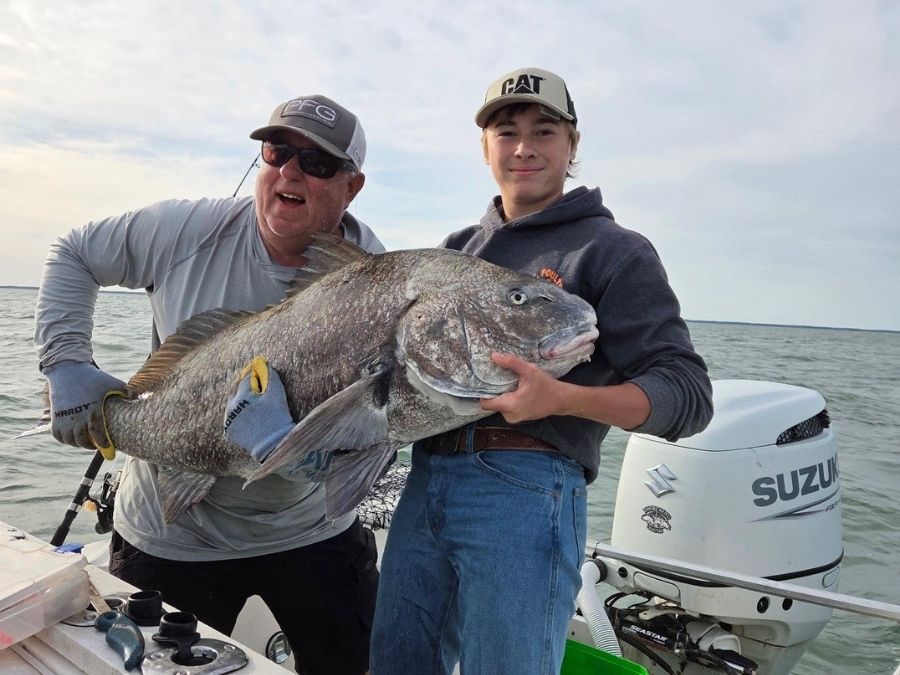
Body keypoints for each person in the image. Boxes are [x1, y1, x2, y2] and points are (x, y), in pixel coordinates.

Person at [368, 67, 714, 675]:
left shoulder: (615, 251)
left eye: (544, 130)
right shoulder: (458, 249)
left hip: (527, 489)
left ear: (572, 145)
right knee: (397, 662)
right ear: (485, 147)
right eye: (506, 131)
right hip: (423, 480)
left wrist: (559, 400)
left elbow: (686, 393)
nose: (524, 147)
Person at [35, 95, 383, 675]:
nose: (290, 171)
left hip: (310, 529)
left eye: (318, 163)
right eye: (277, 151)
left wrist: (296, 453)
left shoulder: (374, 277)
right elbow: (74, 253)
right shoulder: (186, 230)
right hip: (170, 534)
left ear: (353, 186)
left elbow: (371, 426)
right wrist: (65, 363)